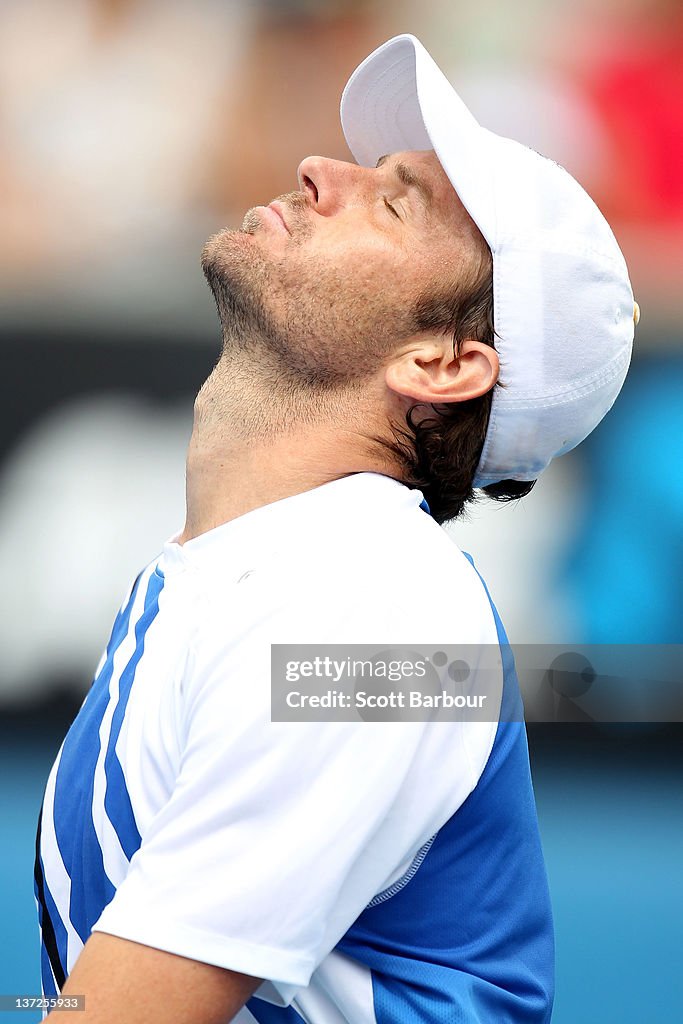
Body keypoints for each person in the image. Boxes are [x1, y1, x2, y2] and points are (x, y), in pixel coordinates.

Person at [36, 34, 636, 1024]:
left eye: (393, 200)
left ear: (442, 364)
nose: (319, 169)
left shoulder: (374, 618)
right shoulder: (289, 578)